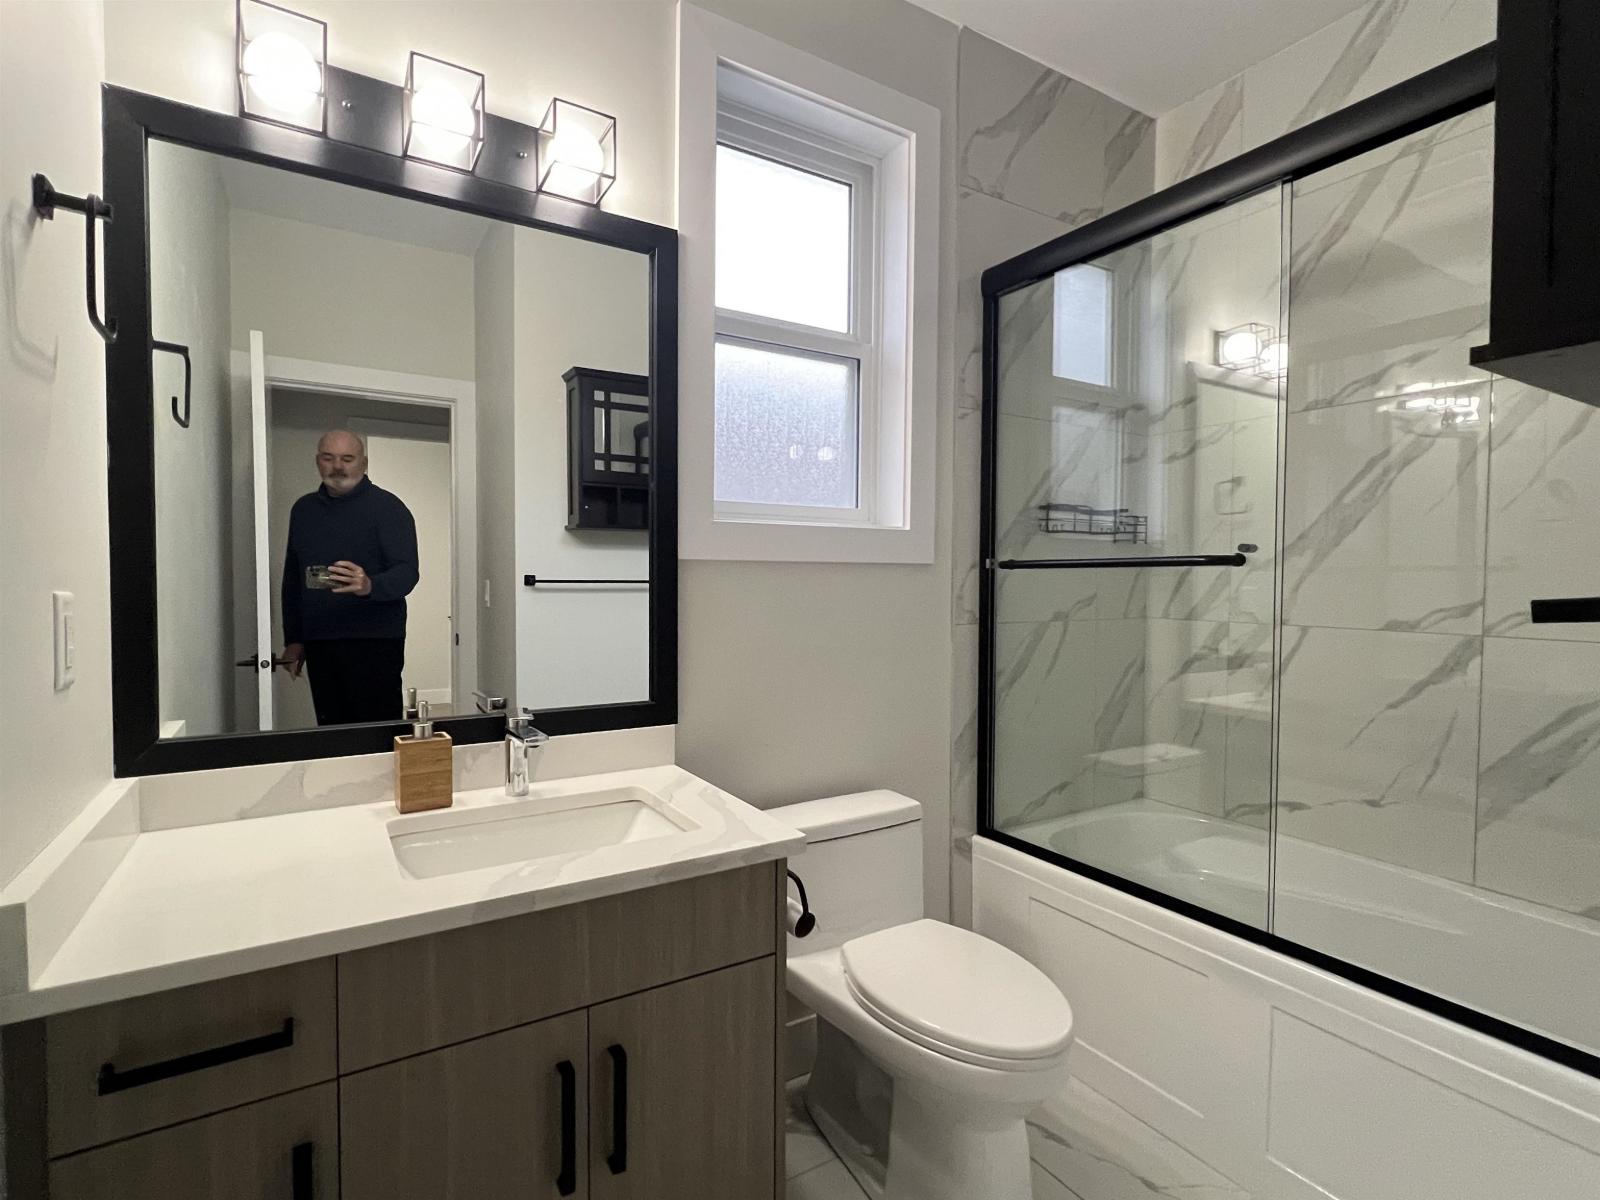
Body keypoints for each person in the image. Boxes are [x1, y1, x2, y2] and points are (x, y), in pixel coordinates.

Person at [280, 430, 419, 726]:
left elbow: (407, 573)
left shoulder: (388, 508)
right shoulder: (303, 510)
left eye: (347, 459)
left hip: (375, 642)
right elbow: (292, 579)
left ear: (363, 463)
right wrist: (294, 639)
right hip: (320, 640)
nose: (337, 467)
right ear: (318, 461)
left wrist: (370, 585)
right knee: (332, 731)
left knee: (376, 733)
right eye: (328, 458)